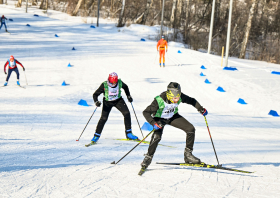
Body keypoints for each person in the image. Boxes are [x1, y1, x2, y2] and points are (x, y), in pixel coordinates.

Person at [140, 82, 208, 169]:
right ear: (168, 95)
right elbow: (145, 112)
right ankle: (148, 158)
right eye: (174, 98)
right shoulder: (159, 100)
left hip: (172, 116)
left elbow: (192, 100)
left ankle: (188, 155)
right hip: (159, 119)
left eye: (178, 98)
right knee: (157, 137)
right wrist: (153, 123)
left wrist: (200, 108)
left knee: (190, 129)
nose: (176, 100)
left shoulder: (179, 96)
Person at [90, 72, 139, 145]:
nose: (113, 84)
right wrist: (96, 102)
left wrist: (128, 96)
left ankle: (129, 133)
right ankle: (96, 135)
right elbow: (95, 94)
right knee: (103, 118)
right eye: (111, 83)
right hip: (107, 102)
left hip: (118, 100)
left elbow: (126, 87)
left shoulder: (119, 82)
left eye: (114, 83)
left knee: (127, 113)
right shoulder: (104, 85)